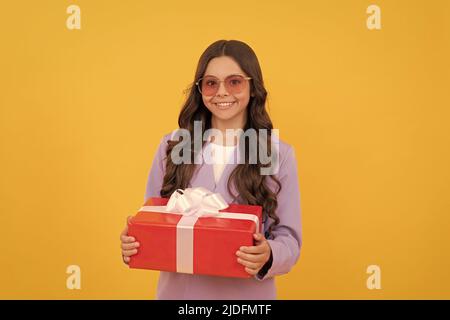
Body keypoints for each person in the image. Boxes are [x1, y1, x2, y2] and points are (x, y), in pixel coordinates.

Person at [120, 39, 302, 299]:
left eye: (235, 81)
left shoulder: (274, 153)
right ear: (200, 90)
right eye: (211, 83)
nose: (222, 92)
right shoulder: (174, 146)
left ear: (253, 88)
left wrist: (269, 253)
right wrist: (135, 240)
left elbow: (289, 238)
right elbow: (152, 217)